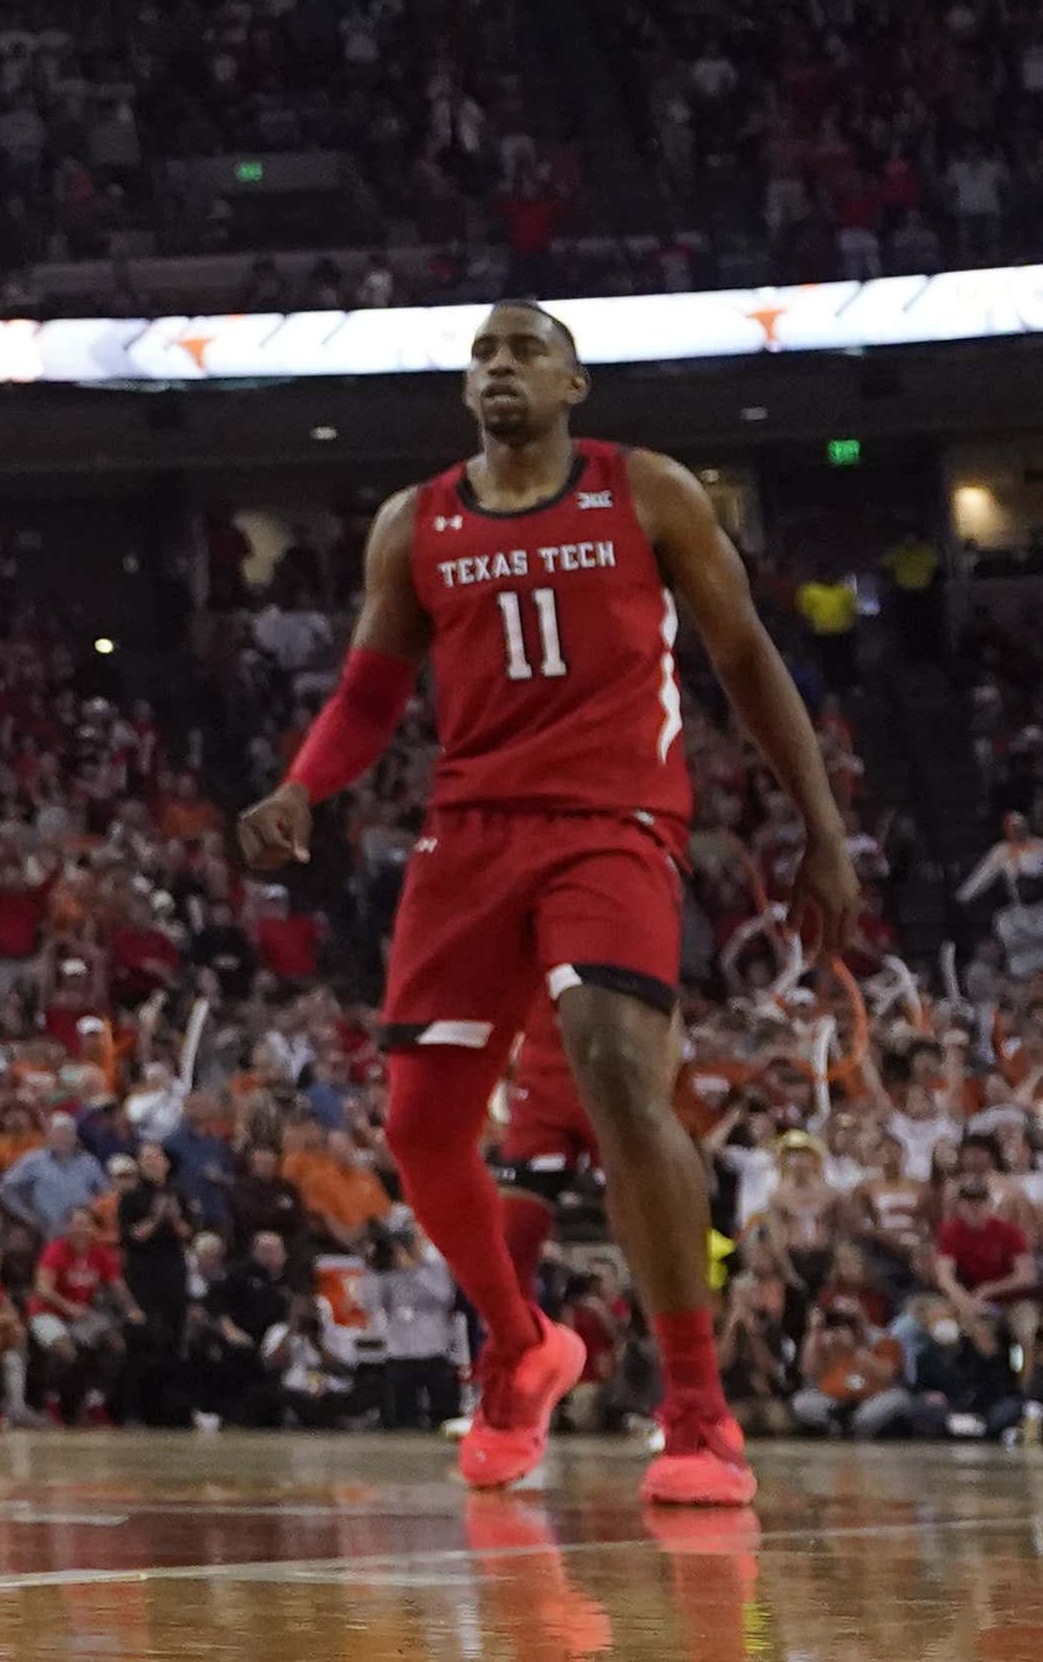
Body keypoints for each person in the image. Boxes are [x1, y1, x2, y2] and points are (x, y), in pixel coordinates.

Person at [240, 298, 858, 1509]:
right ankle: (523, 1344)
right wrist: (301, 785)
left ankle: (695, 1409)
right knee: (420, 1128)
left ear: (575, 382)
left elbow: (744, 658)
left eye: (525, 347)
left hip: (613, 822)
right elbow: (369, 693)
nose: (499, 365)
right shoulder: (412, 521)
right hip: (467, 835)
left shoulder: (650, 490)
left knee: (615, 1065)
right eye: (481, 352)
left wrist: (821, 826)